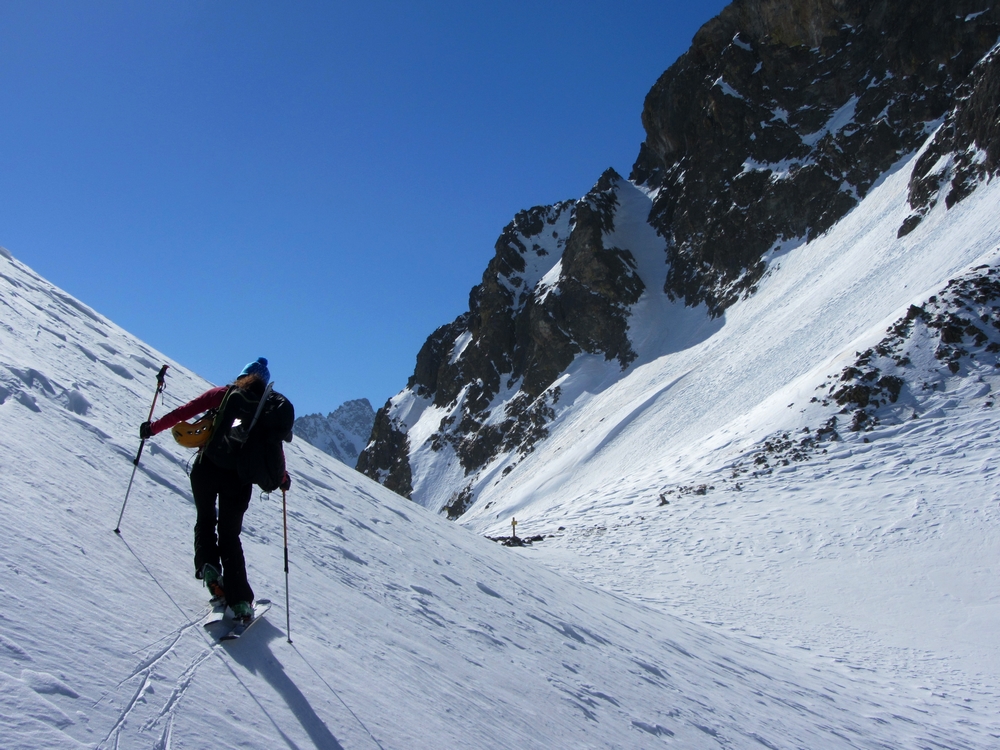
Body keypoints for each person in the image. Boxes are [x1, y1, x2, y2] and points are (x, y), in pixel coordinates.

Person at [139, 357, 288, 624]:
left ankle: (210, 573)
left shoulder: (225, 394)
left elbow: (185, 411)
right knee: (230, 536)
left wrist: (152, 428)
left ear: (243, 376)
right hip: (237, 481)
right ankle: (241, 602)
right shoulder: (266, 411)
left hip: (206, 469)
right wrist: (283, 478)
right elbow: (272, 450)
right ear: (264, 384)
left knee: (205, 521)